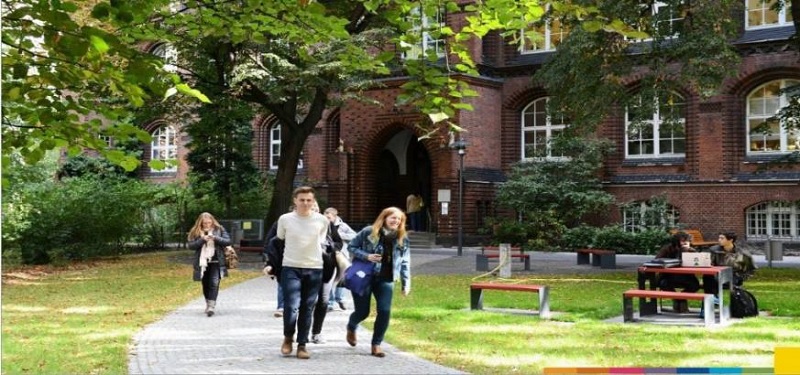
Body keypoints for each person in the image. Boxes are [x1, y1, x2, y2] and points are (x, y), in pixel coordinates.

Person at [267, 186, 329, 360]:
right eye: (302, 200)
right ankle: (288, 337)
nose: (305, 203)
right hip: (290, 266)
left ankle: (302, 344)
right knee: (291, 305)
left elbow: (322, 242)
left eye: (309, 200)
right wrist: (271, 264)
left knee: (307, 307)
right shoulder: (285, 219)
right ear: (295, 200)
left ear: (313, 201)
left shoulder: (322, 220)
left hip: (315, 267)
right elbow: (278, 242)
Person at [346, 207, 411, 358]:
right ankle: (351, 325)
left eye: (399, 219)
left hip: (386, 279)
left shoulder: (402, 238)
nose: (396, 221)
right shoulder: (369, 231)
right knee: (363, 312)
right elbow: (351, 247)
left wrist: (406, 283)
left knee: (385, 311)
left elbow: (405, 262)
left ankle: (376, 344)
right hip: (364, 277)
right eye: (393, 218)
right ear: (385, 218)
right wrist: (366, 256)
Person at [187, 212, 232, 317]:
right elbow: (191, 246)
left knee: (214, 282)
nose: (207, 224)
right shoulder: (196, 231)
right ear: (200, 223)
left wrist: (215, 238)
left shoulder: (219, 229)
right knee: (205, 283)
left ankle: (211, 306)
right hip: (202, 262)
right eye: (204, 223)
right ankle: (208, 303)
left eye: (209, 222)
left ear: (212, 221)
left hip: (217, 260)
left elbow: (228, 241)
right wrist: (202, 240)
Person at [655, 232, 700, 313]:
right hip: (668, 276)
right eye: (683, 241)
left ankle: (680, 298)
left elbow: (698, 261)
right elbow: (657, 260)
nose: (685, 243)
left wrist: (689, 251)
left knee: (695, 285)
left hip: (686, 276)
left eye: (686, 241)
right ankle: (678, 299)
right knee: (663, 284)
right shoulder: (667, 248)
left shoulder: (690, 250)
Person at [324, 207, 358, 311]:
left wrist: (340, 235)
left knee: (341, 278)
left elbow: (354, 235)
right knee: (329, 278)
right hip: (328, 255)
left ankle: (341, 299)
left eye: (329, 217)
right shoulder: (322, 225)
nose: (327, 219)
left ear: (335, 216)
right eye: (325, 217)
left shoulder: (343, 226)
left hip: (342, 255)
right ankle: (330, 302)